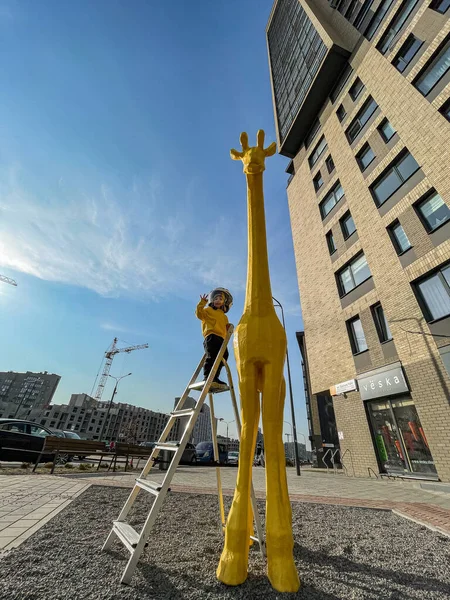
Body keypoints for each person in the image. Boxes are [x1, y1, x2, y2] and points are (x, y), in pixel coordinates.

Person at [196, 287, 233, 390]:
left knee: (224, 356)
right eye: (216, 299)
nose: (218, 301)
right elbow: (199, 314)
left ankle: (215, 377)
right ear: (212, 300)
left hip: (221, 338)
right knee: (211, 356)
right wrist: (202, 303)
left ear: (224, 302)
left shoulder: (224, 316)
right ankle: (207, 376)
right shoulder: (208, 310)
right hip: (211, 336)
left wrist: (229, 328)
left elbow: (225, 327)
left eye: (220, 299)